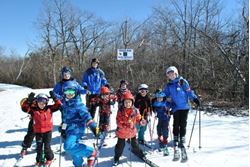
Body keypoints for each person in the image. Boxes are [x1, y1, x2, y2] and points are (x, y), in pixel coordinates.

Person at [163, 66, 200, 161]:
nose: (171, 75)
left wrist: (194, 99)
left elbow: (188, 92)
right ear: (167, 75)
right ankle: (176, 137)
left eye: (172, 73)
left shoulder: (182, 82)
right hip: (175, 107)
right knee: (176, 124)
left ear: (176, 73)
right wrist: (167, 105)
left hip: (184, 107)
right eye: (169, 74)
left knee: (183, 123)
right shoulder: (168, 85)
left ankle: (182, 137)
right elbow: (166, 97)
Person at [61, 81, 99, 167]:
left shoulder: (78, 104)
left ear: (76, 92)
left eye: (72, 92)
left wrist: (92, 125)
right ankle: (78, 164)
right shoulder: (66, 104)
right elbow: (65, 118)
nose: (69, 94)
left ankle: (91, 152)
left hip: (77, 129)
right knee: (75, 149)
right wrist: (63, 127)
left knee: (68, 146)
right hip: (69, 129)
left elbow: (86, 115)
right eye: (67, 92)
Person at [21, 91, 62, 166]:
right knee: (39, 147)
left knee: (47, 147)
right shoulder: (34, 110)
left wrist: (55, 98)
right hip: (38, 132)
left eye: (43, 103)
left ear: (46, 103)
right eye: (40, 103)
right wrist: (28, 100)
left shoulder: (50, 109)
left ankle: (50, 158)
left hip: (48, 132)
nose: (41, 105)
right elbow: (24, 108)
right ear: (36, 103)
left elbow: (59, 105)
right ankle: (39, 160)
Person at [113, 92, 145, 166]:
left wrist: (141, 121)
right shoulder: (120, 111)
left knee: (135, 145)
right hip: (122, 132)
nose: (128, 104)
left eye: (129, 102)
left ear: (132, 102)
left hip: (132, 131)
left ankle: (141, 154)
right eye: (126, 102)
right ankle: (116, 157)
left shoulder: (135, 110)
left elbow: (138, 118)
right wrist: (124, 125)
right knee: (120, 146)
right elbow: (118, 121)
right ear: (123, 103)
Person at [152, 91, 170, 156]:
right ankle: (160, 137)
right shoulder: (156, 103)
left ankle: (165, 139)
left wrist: (168, 111)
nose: (159, 99)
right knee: (158, 128)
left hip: (166, 118)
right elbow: (154, 108)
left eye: (161, 98)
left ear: (163, 98)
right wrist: (154, 111)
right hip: (160, 118)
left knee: (165, 129)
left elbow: (170, 107)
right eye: (158, 98)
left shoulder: (166, 103)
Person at [19, 93, 36, 157]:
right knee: (30, 134)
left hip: (44, 121)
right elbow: (25, 109)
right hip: (34, 121)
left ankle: (43, 147)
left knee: (44, 135)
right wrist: (28, 101)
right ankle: (24, 147)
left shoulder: (42, 101)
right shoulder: (29, 103)